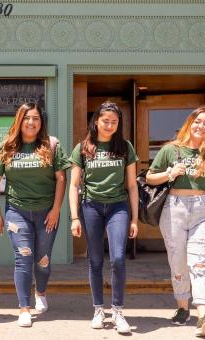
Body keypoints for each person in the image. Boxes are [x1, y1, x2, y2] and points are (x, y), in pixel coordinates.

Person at [146, 105, 205, 337]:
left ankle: (203, 315)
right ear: (189, 123)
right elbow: (150, 178)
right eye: (197, 121)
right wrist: (170, 174)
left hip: (204, 209)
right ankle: (182, 307)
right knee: (178, 261)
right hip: (175, 209)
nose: (201, 126)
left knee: (200, 263)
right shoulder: (170, 150)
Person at [0, 102, 70, 327]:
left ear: (41, 122)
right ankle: (24, 308)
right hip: (17, 211)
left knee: (42, 260)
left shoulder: (51, 145)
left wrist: (56, 210)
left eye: (35, 118)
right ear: (19, 120)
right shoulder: (7, 146)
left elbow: (61, 179)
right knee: (23, 257)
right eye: (27, 118)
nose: (31, 122)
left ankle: (41, 293)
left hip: (47, 212)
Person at [68, 101, 139, 334]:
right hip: (91, 207)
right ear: (96, 121)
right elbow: (74, 184)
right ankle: (99, 309)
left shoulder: (125, 146)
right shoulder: (83, 147)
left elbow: (131, 184)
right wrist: (74, 217)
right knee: (96, 260)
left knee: (118, 258)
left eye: (114, 122)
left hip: (118, 206)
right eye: (105, 121)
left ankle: (118, 310)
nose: (109, 125)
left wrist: (135, 219)